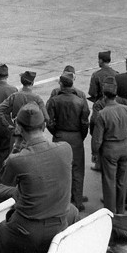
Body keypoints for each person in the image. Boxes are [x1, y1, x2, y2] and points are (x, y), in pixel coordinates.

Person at [0, 103, 77, 253]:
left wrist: (16, 148)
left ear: (19, 128)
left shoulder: (17, 159)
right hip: (59, 223)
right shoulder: (65, 148)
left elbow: (3, 181)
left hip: (28, 230)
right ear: (43, 126)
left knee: (2, 230)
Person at [93, 75, 127, 214]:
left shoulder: (102, 113)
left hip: (110, 148)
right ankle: (121, 210)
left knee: (109, 181)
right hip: (125, 147)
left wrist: (95, 152)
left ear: (105, 96)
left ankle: (110, 212)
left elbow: (97, 139)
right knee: (122, 181)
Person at [46, 70, 89, 210]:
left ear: (62, 85)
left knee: (59, 169)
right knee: (77, 169)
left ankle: (60, 200)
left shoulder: (54, 100)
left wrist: (57, 133)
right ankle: (77, 201)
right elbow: (84, 123)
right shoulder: (80, 101)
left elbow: (49, 122)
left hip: (60, 136)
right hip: (76, 137)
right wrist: (80, 136)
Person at [0, 71, 47, 155]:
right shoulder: (37, 98)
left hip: (18, 132)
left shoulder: (15, 96)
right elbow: (46, 117)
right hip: (33, 135)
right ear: (32, 83)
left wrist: (8, 125)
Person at [86, 50, 118, 171]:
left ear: (101, 60)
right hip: (113, 105)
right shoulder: (116, 74)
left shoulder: (96, 75)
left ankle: (98, 162)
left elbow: (92, 93)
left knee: (97, 133)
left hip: (100, 105)